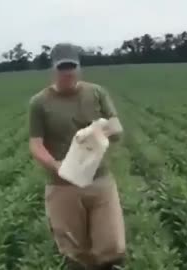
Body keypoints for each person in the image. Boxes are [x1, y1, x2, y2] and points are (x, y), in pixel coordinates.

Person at [28, 43, 126, 270]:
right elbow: (35, 144)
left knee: (113, 245)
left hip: (100, 180)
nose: (68, 72)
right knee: (75, 251)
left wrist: (97, 132)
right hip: (63, 184)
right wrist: (56, 165)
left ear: (79, 67)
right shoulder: (40, 103)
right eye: (63, 68)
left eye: (72, 67)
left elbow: (116, 128)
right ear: (54, 69)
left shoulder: (97, 92)